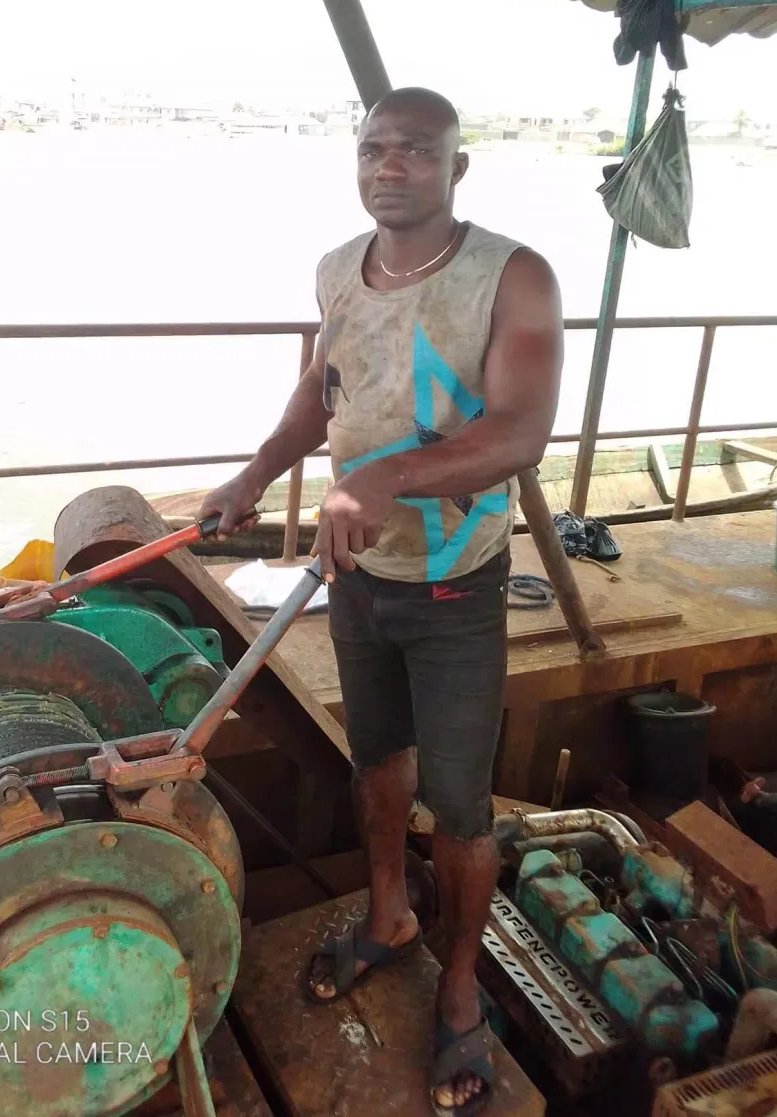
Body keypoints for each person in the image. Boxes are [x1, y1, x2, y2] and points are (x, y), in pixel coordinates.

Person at [201, 87, 563, 1113]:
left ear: (457, 166)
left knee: (457, 804)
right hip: (360, 580)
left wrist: (386, 481)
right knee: (375, 769)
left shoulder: (512, 276)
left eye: (414, 150)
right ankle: (388, 915)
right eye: (372, 150)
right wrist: (256, 473)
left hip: (455, 588)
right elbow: (322, 396)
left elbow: (519, 432)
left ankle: (457, 988)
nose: (388, 167)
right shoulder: (334, 272)